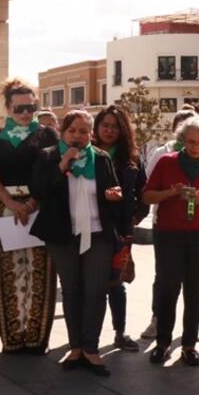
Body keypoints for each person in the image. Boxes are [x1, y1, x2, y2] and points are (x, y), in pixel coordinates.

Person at [31, 110, 125, 376]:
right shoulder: (48, 156)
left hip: (97, 234)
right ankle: (75, 348)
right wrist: (63, 164)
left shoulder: (102, 158)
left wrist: (113, 196)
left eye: (84, 132)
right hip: (63, 236)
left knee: (96, 291)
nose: (78, 136)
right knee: (71, 291)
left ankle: (91, 349)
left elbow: (114, 194)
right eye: (73, 131)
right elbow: (39, 191)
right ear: (63, 132)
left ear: (90, 134)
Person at [0, 78, 60, 354]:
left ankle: (37, 338)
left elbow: (54, 171)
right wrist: (10, 203)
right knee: (11, 271)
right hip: (6, 206)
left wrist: (33, 201)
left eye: (31, 107)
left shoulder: (48, 135)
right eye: (20, 109)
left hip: (40, 205)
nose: (26, 113)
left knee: (39, 271)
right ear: (8, 108)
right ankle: (13, 337)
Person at [142, 115, 199, 366]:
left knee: (195, 289)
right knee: (168, 288)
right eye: (190, 141)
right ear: (182, 140)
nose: (195, 147)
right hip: (169, 232)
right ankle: (163, 342)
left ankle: (189, 344)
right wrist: (171, 192)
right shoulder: (167, 162)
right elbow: (146, 196)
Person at [138, 108, 199, 340]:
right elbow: (149, 185)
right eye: (182, 128)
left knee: (192, 281)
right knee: (163, 276)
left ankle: (189, 327)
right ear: (175, 130)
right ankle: (158, 320)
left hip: (196, 227)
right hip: (165, 224)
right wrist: (171, 192)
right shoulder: (161, 154)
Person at [93, 106, 148, 352]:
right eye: (104, 125)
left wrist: (136, 215)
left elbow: (143, 192)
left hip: (120, 229)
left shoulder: (132, 158)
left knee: (116, 282)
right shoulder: (87, 154)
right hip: (91, 226)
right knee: (93, 284)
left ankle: (119, 332)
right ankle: (88, 336)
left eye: (114, 126)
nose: (109, 130)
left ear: (123, 130)